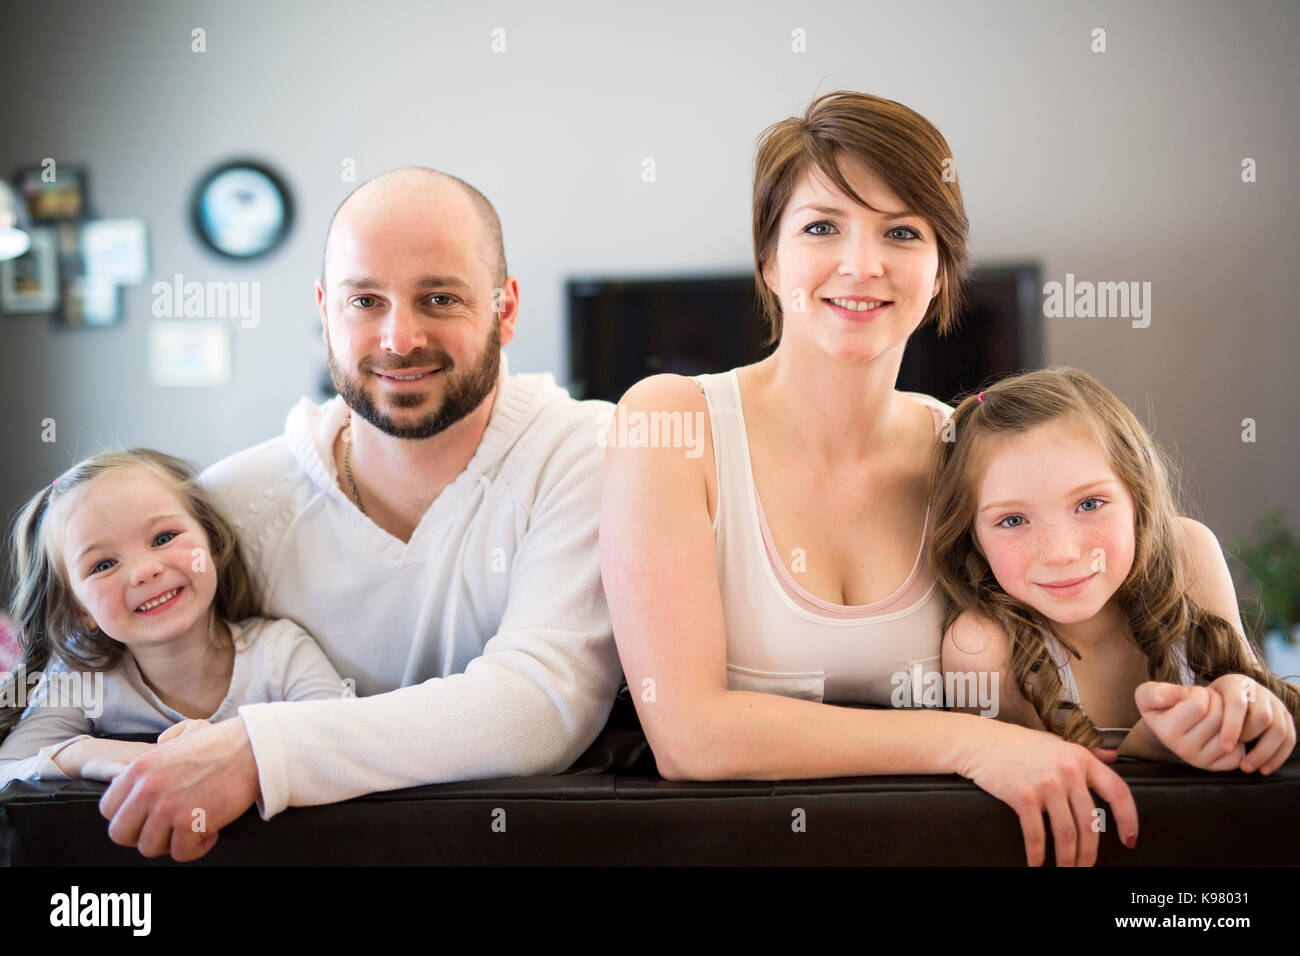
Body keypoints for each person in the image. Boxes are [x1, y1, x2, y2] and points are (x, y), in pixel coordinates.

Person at [600, 90, 1194, 868]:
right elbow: (686, 734)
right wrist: (967, 742)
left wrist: (1217, 705)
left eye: (903, 232)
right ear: (769, 261)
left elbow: (1104, 652)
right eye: (821, 227)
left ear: (941, 270)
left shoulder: (971, 455)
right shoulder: (671, 422)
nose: (862, 264)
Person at [97, 168, 623, 861]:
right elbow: (96, 677)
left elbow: (544, 707)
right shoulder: (230, 506)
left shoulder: (586, 451)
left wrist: (264, 752)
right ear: (324, 312)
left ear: (506, 308)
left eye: (439, 298)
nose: (399, 339)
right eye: (365, 301)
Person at [932, 367, 1298, 771]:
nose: (1061, 552)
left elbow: (1256, 699)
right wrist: (1145, 745)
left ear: (1138, 495)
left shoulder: (1189, 554)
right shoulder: (982, 648)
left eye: (1089, 504)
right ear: (973, 537)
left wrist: (1244, 695)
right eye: (1013, 520)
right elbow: (1016, 808)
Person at [0, 449, 345, 789]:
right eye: (103, 565)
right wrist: (85, 753)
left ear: (212, 544)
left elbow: (346, 748)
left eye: (164, 538)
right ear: (80, 610)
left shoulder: (281, 655)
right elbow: (7, 770)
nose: (145, 571)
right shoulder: (81, 676)